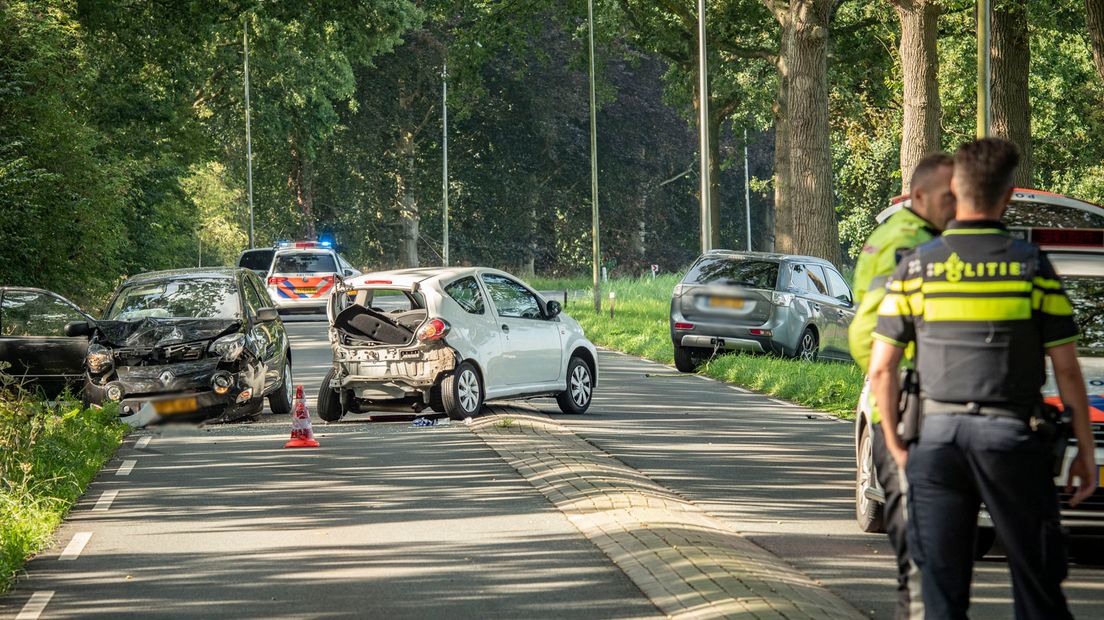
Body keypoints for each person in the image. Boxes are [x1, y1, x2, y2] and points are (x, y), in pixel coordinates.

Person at [867, 138, 1098, 619]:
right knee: (1037, 587)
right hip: (1010, 441)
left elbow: (883, 367)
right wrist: (1085, 452)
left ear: (956, 188)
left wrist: (897, 445)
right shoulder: (1031, 267)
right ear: (1007, 196)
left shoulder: (917, 267)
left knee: (941, 595)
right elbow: (1067, 368)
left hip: (937, 439)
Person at [848, 152, 956, 619]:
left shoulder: (896, 235)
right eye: (948, 197)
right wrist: (900, 379)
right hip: (908, 404)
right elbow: (869, 332)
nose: (956, 205)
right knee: (920, 552)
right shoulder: (910, 245)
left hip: (900, 399)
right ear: (919, 196)